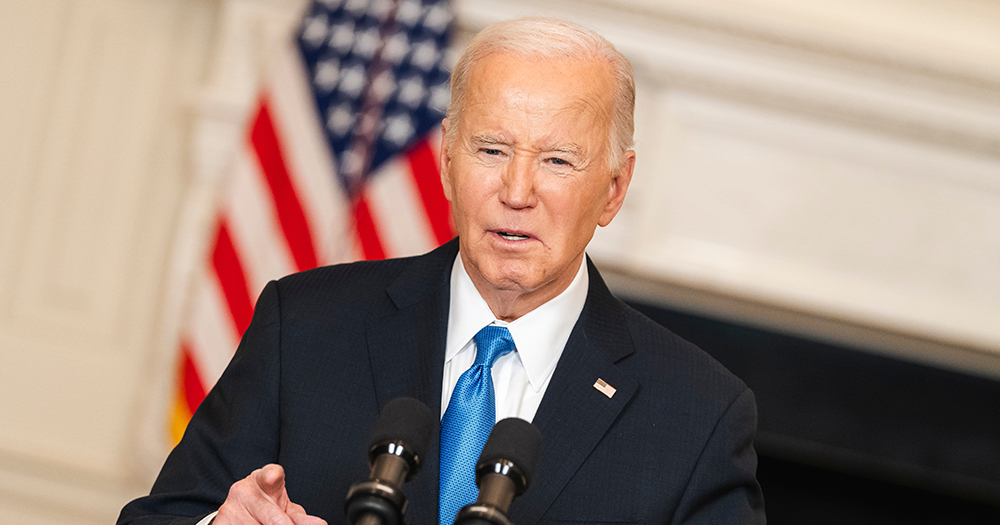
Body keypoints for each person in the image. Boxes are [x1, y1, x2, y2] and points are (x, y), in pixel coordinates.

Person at [119, 17, 765, 525]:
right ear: (447, 161)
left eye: (557, 162)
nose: (517, 190)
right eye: (492, 149)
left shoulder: (699, 416)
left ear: (615, 188)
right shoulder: (305, 328)